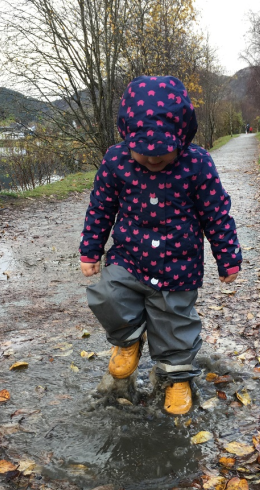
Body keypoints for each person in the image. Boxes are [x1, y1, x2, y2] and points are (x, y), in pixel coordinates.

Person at [79, 75, 242, 415]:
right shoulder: (115, 160)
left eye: (162, 152)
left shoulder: (197, 163)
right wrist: (91, 250)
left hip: (178, 265)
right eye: (143, 151)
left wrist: (227, 255)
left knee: (174, 324)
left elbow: (216, 213)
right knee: (108, 295)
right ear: (127, 136)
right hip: (128, 257)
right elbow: (101, 207)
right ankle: (127, 341)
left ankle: (176, 378)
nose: (153, 160)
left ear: (182, 136)